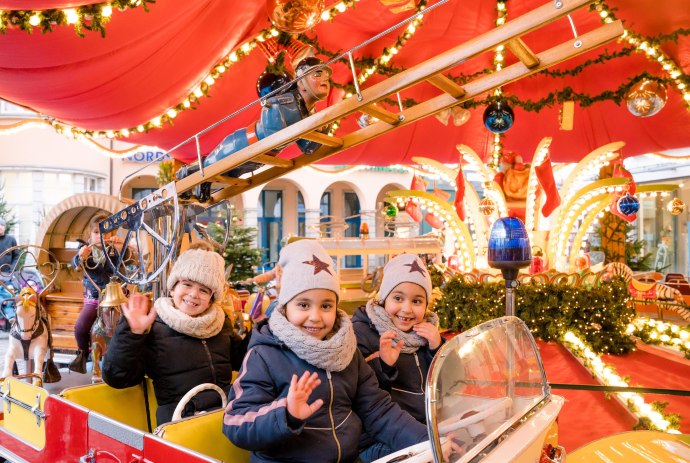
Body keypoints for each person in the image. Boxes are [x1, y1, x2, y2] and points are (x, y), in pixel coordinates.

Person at [223, 240, 427, 463]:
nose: (315, 317)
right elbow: (235, 422)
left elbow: (378, 411)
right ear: (285, 306)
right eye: (303, 305)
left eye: (326, 306)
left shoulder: (348, 352)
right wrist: (286, 414)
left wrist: (429, 443)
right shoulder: (264, 355)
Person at [102, 243, 249, 424]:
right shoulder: (154, 325)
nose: (194, 294)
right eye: (187, 284)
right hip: (180, 420)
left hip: (225, 414)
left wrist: (259, 331)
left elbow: (242, 360)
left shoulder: (219, 322)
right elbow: (117, 378)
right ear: (173, 288)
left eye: (203, 290)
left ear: (212, 298)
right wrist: (132, 334)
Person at [176, 57, 332, 202]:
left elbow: (308, 148)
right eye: (318, 73)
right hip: (243, 142)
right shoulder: (279, 102)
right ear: (300, 80)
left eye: (326, 75)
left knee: (230, 173)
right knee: (213, 164)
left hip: (263, 155)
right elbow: (273, 135)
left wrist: (324, 127)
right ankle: (187, 172)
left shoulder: (311, 113)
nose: (325, 78)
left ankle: (204, 184)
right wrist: (310, 126)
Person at [352, 253, 443, 462]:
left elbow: (451, 383)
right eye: (398, 298)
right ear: (383, 298)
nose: (407, 309)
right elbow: (362, 396)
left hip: (421, 429)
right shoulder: (362, 333)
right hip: (377, 439)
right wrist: (383, 365)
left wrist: (436, 348)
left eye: (417, 301)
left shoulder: (425, 334)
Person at [69, 213, 133, 373]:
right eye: (97, 232)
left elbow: (131, 260)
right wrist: (80, 256)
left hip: (117, 296)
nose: (100, 236)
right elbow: (75, 264)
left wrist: (123, 248)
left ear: (112, 234)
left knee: (128, 324)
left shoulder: (116, 248)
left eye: (105, 232)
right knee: (80, 327)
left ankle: (128, 355)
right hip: (95, 296)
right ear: (90, 234)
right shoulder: (85, 249)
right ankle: (83, 354)